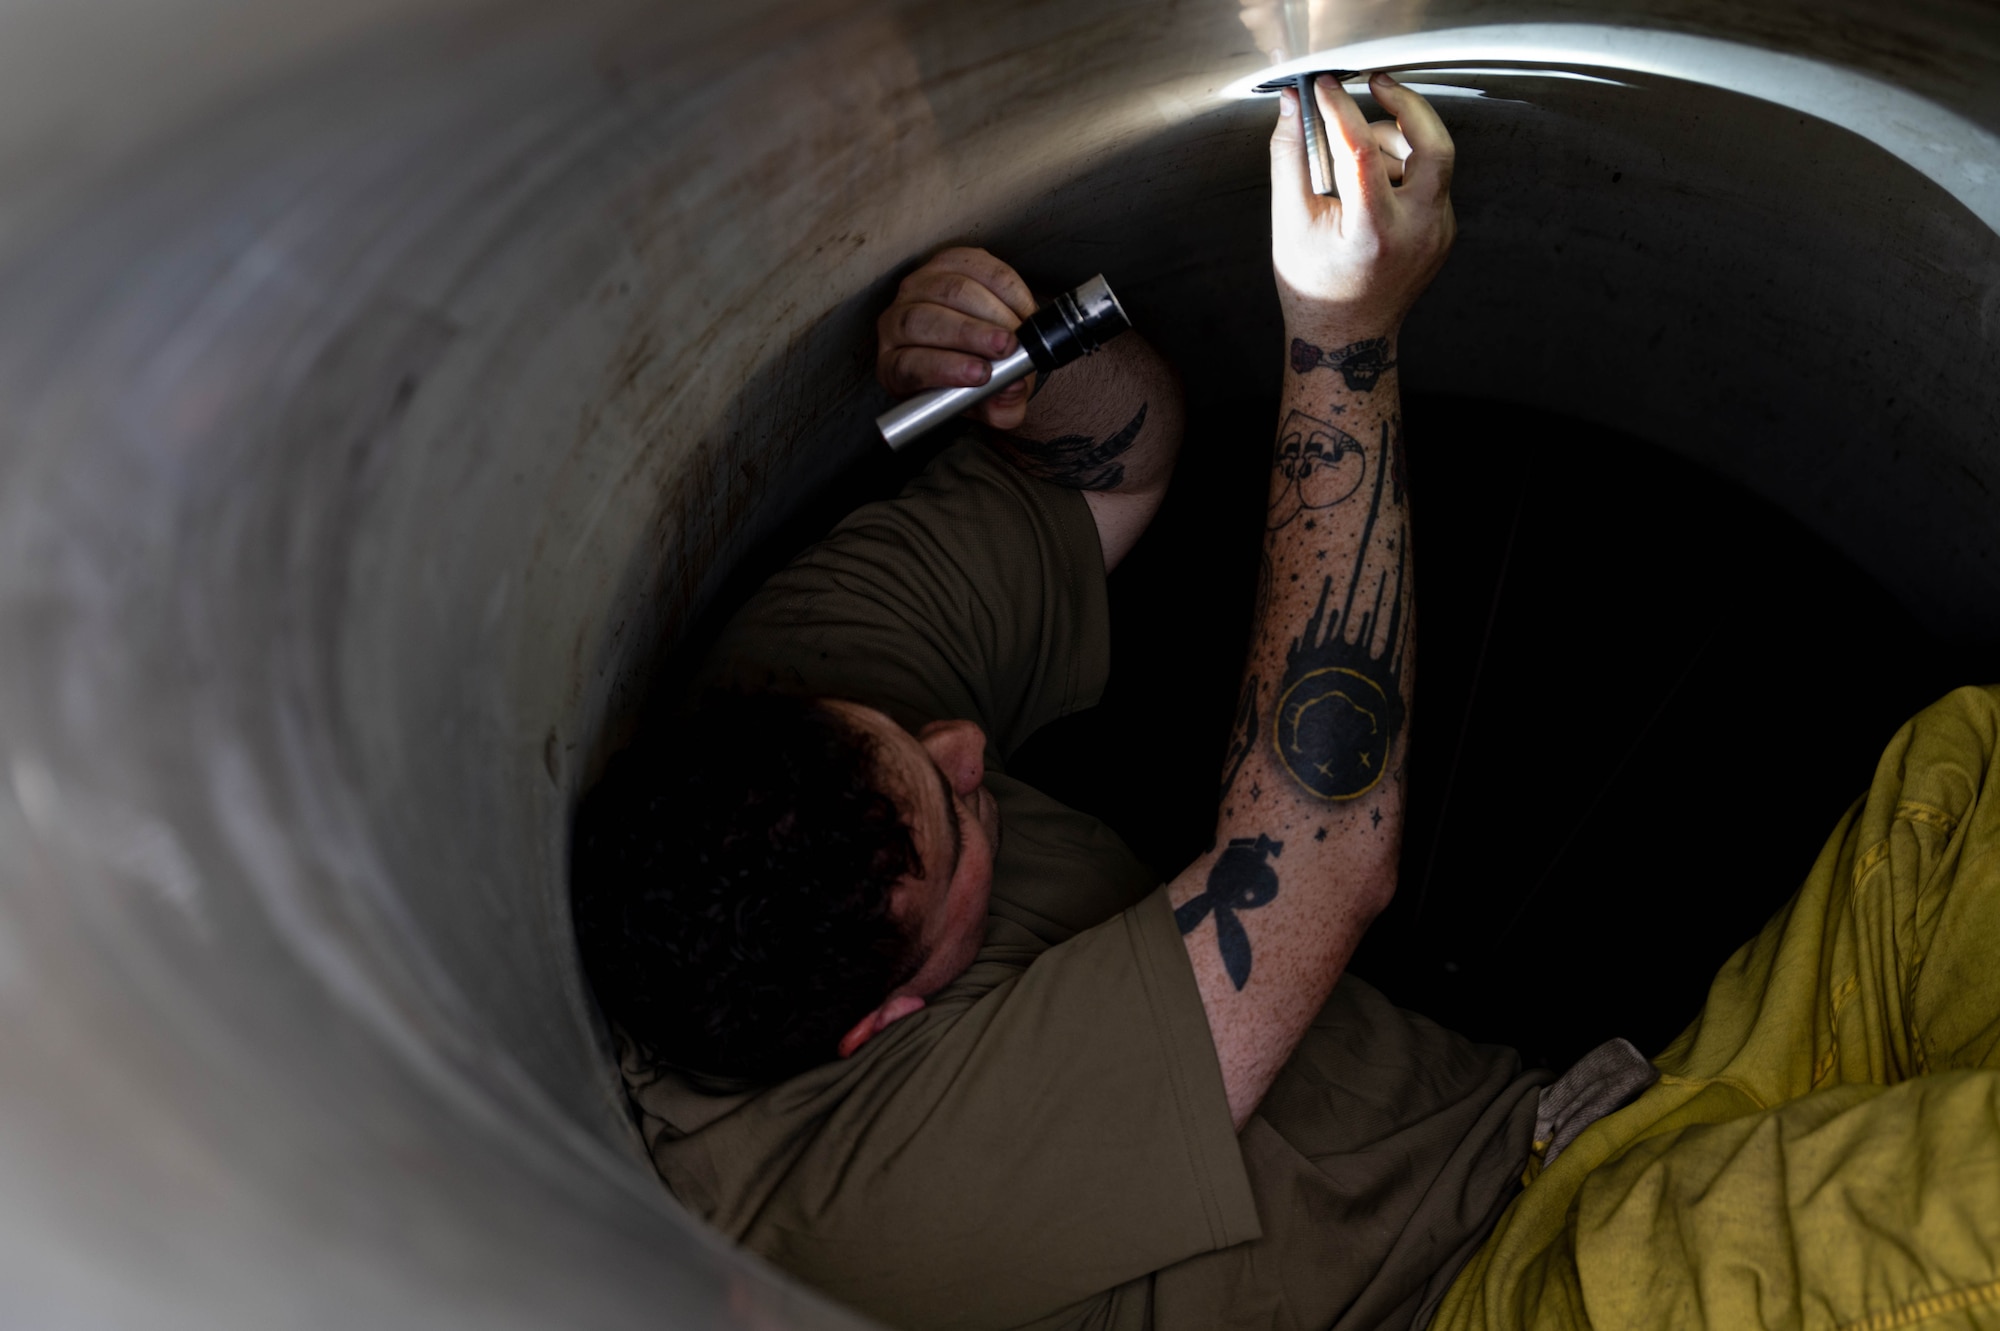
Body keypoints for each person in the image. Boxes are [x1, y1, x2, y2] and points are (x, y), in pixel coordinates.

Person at [572, 73, 2000, 1331]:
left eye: (909, 742)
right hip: (1502, 1298)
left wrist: (1007, 360)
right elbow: (1316, 856)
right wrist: (1342, 334)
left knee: (1969, 779)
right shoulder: (868, 1203)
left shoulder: (780, 744)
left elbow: (1109, 468)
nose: (962, 750)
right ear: (881, 1025)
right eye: (956, 814)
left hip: (1597, 1132)